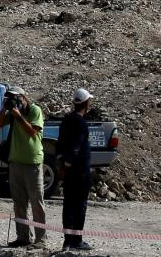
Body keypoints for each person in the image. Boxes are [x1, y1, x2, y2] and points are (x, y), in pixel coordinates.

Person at [0, 84, 46, 248]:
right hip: (16, 162)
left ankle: (41, 239)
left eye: (15, 98)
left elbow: (32, 132)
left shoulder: (34, 110)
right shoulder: (13, 113)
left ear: (23, 98)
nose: (13, 101)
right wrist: (5, 109)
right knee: (19, 203)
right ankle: (23, 237)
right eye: (11, 98)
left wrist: (18, 115)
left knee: (36, 202)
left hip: (32, 162)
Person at [57, 88, 95, 251]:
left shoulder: (66, 120)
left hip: (69, 171)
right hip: (79, 171)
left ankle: (68, 239)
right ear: (86, 103)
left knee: (68, 205)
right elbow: (75, 147)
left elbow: (59, 145)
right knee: (79, 206)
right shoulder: (81, 123)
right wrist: (68, 164)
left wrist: (62, 164)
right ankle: (76, 240)